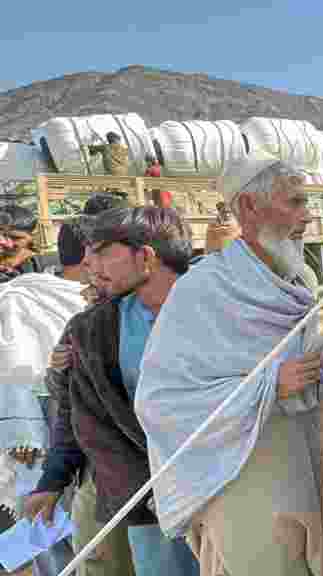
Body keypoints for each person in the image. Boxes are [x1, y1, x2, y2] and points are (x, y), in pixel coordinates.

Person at [136, 151, 323, 576]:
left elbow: (293, 359)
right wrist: (269, 384)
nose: (307, 217)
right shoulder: (203, 289)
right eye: (294, 202)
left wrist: (322, 360)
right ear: (249, 207)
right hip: (239, 470)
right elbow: (160, 401)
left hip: (305, 458)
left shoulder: (299, 280)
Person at [24, 206, 199, 576]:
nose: (89, 263)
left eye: (103, 252)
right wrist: (53, 479)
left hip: (220, 486)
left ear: (147, 256)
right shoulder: (92, 329)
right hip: (143, 497)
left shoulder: (218, 308)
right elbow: (79, 411)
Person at [1, 218, 91, 576]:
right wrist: (20, 432)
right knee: (41, 523)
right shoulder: (19, 296)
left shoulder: (103, 298)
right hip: (34, 436)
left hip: (83, 431)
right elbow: (10, 365)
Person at [0, 204, 60, 280]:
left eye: (16, 238)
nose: (7, 243)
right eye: (2, 236)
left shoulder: (46, 264)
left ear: (32, 237)